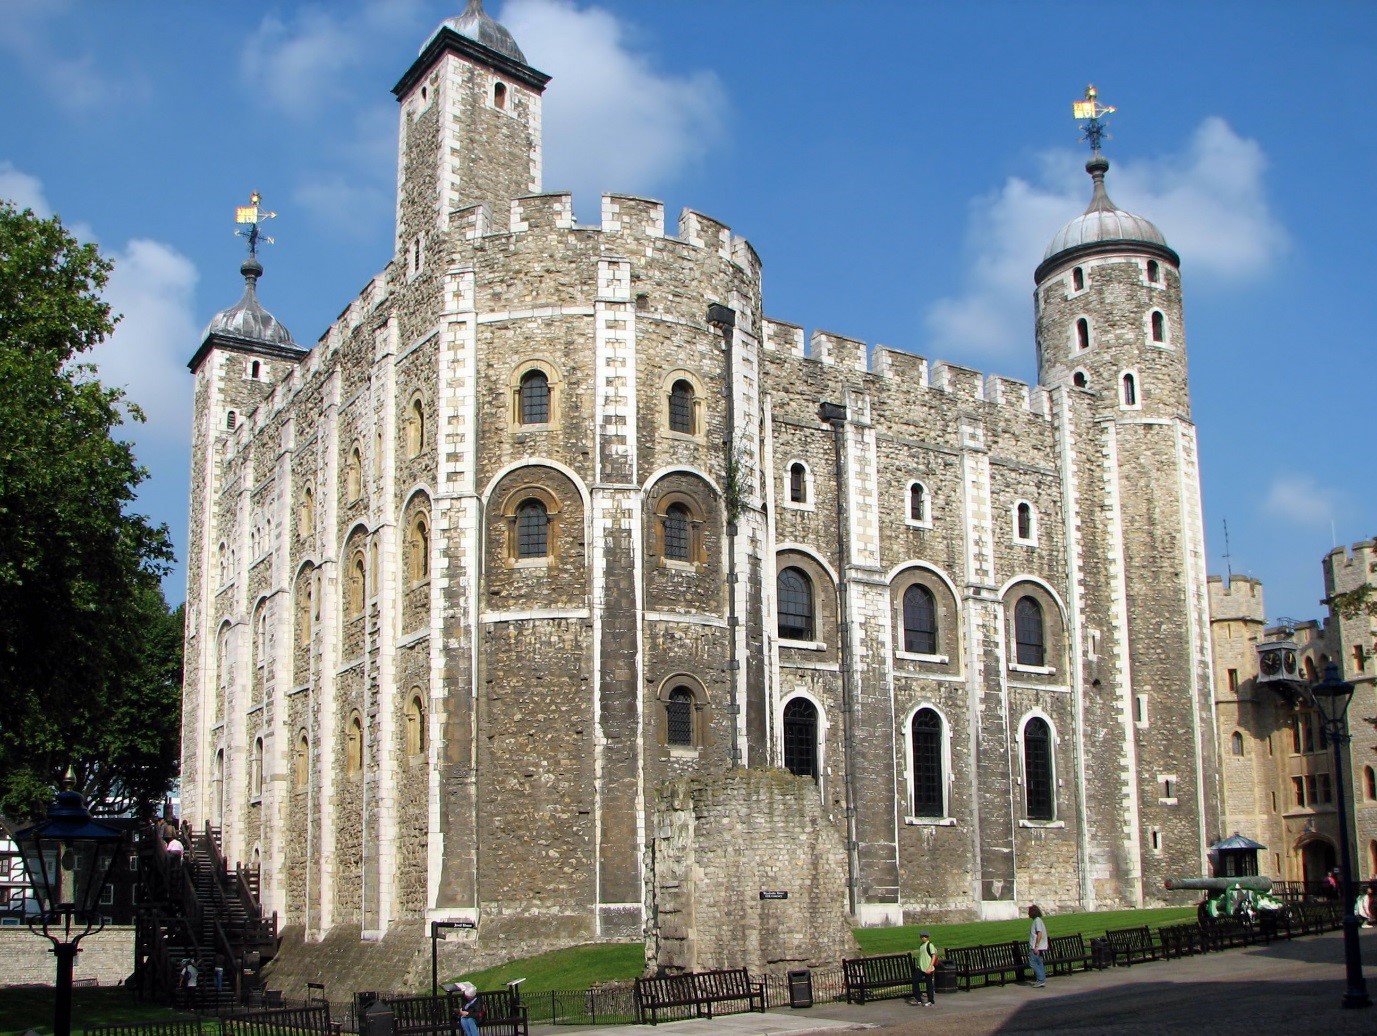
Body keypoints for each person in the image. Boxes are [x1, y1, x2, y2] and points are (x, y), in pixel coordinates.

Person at [911, 930, 938, 1007]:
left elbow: (934, 956)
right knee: (915, 980)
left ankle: (931, 1001)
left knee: (929, 984)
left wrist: (930, 967)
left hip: (928, 968)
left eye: (925, 936)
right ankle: (918, 999)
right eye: (922, 936)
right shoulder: (921, 945)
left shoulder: (930, 945)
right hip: (921, 968)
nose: (924, 938)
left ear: (928, 937)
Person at [1027, 904, 1048, 988]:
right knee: (1039, 963)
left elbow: (1039, 933)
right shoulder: (1037, 920)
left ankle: (1040, 979)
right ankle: (1041, 979)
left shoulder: (1037, 921)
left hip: (1036, 947)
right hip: (1039, 946)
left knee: (1033, 963)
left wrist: (1036, 946)